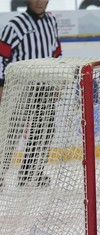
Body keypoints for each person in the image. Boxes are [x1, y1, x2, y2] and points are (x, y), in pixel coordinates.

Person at [0, 0, 62, 187]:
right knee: (11, 132)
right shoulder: (14, 25)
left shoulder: (51, 22)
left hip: (46, 85)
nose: (39, 2)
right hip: (21, 87)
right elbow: (2, 57)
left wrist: (58, 80)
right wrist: (2, 84)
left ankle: (30, 173)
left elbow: (57, 52)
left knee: (43, 131)